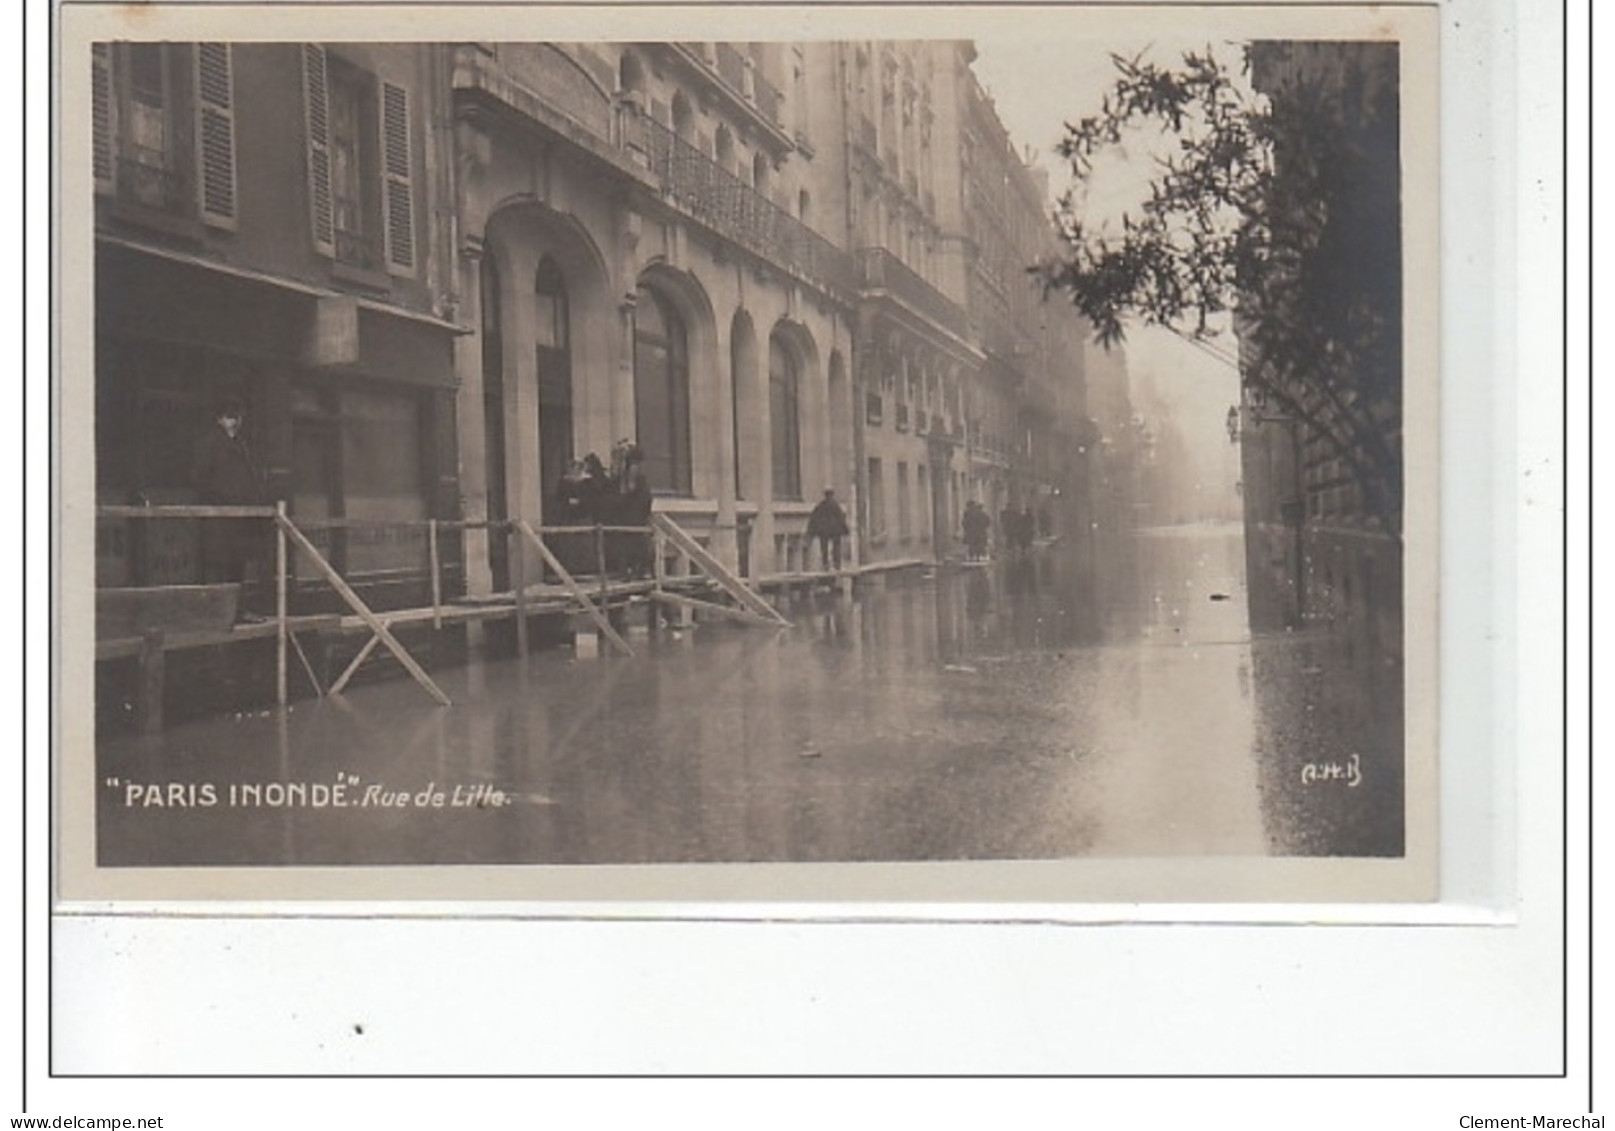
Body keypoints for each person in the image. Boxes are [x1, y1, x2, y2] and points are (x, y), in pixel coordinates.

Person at [190, 396, 270, 621]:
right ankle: (219, 614)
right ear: (219, 418)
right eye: (229, 417)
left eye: (237, 416)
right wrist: (223, 499)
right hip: (219, 516)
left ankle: (237, 611)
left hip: (237, 518)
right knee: (219, 566)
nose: (234, 422)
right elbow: (199, 479)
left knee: (236, 565)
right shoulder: (208, 443)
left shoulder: (241, 445)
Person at [805, 487, 850, 572]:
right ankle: (836, 564)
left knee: (824, 547)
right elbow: (841, 518)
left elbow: (814, 518)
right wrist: (845, 530)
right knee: (836, 546)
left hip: (824, 531)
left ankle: (826, 564)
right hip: (834, 530)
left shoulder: (821, 505)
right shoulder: (835, 506)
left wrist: (811, 531)